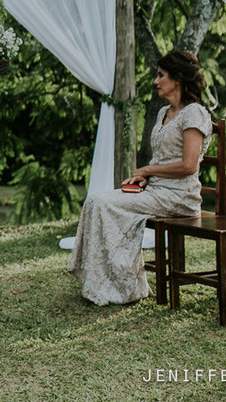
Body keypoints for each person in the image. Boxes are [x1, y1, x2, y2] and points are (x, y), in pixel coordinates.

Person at [68, 50, 213, 306]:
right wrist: (144, 180)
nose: (156, 81)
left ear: (177, 78)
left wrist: (147, 171)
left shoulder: (195, 113)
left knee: (104, 204)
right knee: (95, 200)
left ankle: (124, 287)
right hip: (155, 191)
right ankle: (101, 281)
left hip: (180, 197)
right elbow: (162, 160)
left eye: (161, 75)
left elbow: (189, 165)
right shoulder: (163, 113)